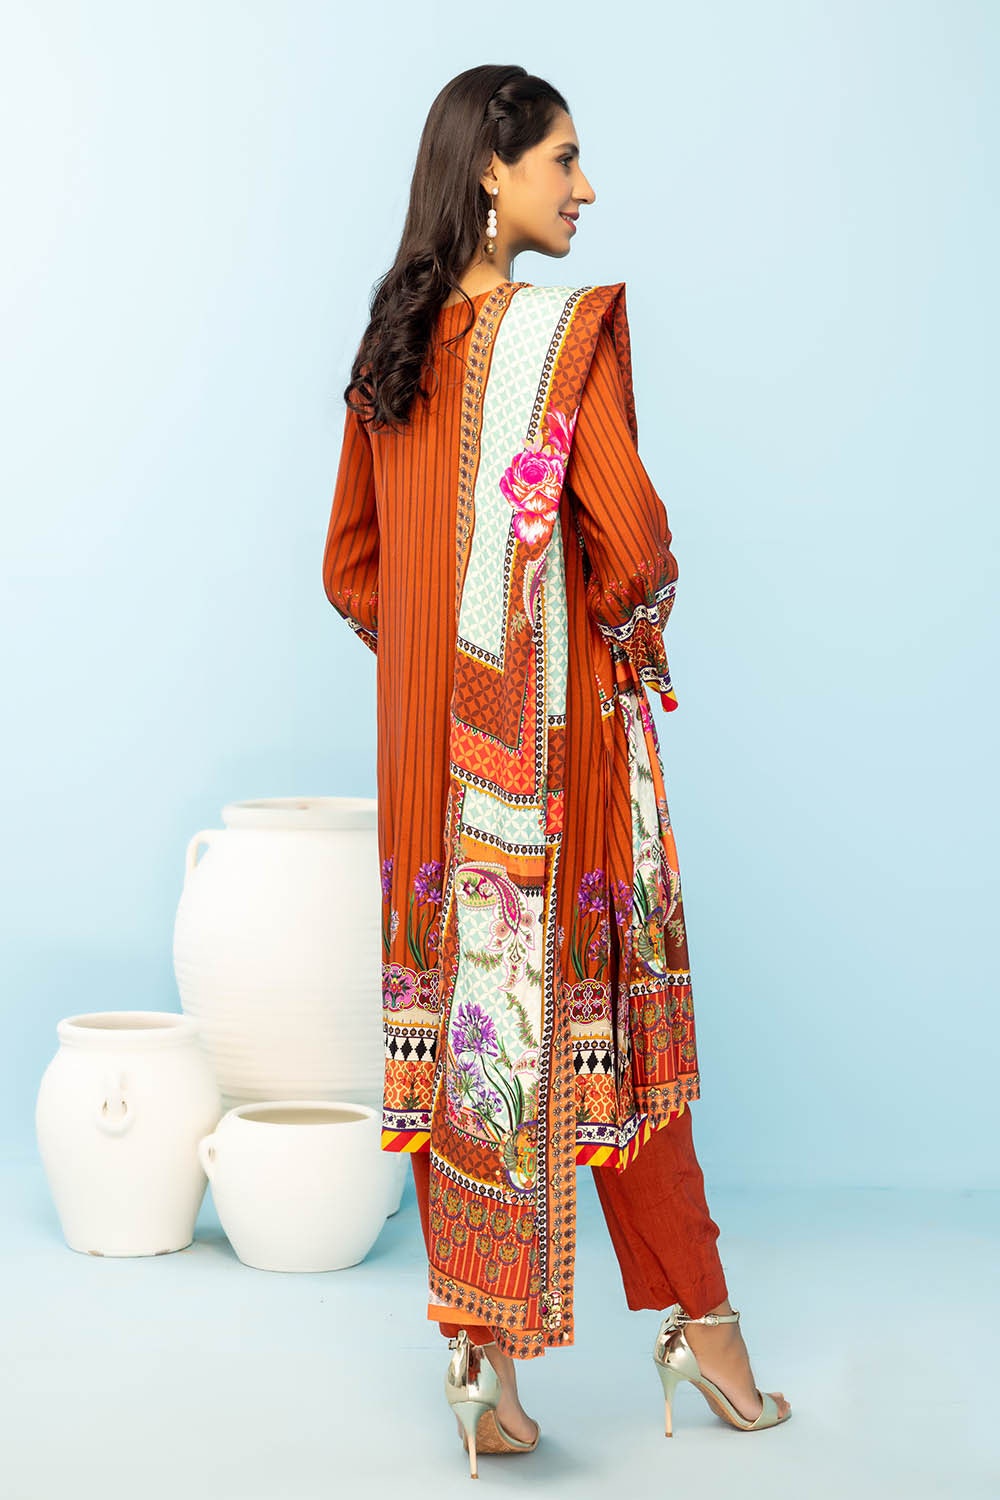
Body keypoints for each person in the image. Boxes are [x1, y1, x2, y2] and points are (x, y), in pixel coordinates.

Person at [322, 65, 791, 1475]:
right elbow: (631, 549)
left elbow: (351, 565)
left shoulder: (390, 349)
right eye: (564, 161)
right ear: (493, 169)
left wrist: (439, 670)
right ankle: (705, 1330)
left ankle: (479, 1365)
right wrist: (604, 646)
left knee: (466, 1044)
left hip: (432, 779)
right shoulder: (560, 341)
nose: (585, 190)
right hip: (556, 761)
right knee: (610, 1044)